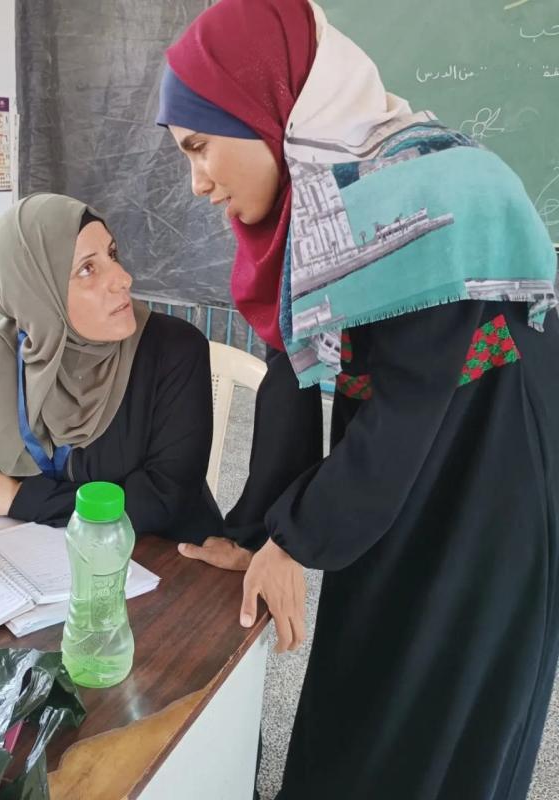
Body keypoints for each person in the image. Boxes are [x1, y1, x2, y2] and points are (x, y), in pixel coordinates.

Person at [156, 1, 559, 798]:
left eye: (201, 147)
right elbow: (292, 371)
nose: (197, 183)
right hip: (406, 463)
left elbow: (406, 410)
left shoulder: (432, 191)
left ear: (264, 109)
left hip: (495, 483)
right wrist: (257, 531)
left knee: (438, 703)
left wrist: (299, 539)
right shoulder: (313, 197)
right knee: (365, 668)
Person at [0, 193, 222, 586]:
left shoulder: (173, 350)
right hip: (33, 577)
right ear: (35, 293)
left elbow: (163, 500)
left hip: (166, 570)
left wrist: (16, 498)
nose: (122, 278)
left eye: (112, 255)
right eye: (86, 270)